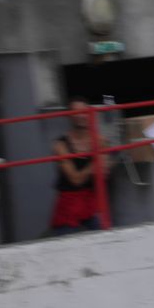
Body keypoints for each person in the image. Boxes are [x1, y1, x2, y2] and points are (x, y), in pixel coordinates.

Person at [49, 97, 109, 236]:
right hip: (68, 209)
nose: (80, 116)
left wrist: (102, 162)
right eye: (75, 112)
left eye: (83, 111)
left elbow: (104, 173)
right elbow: (75, 179)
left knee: (106, 237)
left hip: (91, 206)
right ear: (69, 115)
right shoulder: (60, 145)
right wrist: (94, 164)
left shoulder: (99, 140)